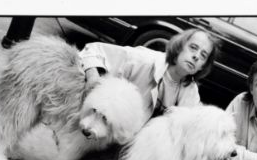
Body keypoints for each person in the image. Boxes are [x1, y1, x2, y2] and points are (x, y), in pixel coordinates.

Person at [80, 28, 218, 120]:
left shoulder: (191, 93)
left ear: (202, 67)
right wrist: (92, 77)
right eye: (193, 48)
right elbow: (93, 49)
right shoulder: (144, 60)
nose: (196, 56)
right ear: (179, 47)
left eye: (203, 55)